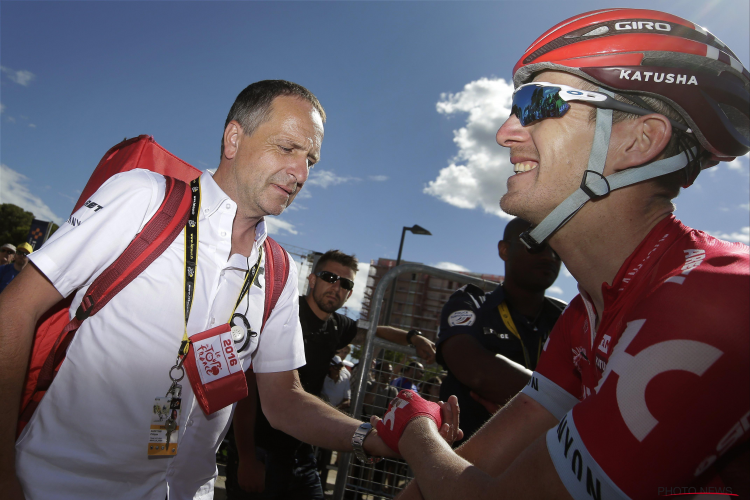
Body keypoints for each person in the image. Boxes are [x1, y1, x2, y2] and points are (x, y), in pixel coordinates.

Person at [382, 9, 749, 500]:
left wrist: (415, 430)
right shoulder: (584, 315)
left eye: (538, 104)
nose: (505, 132)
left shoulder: (718, 301)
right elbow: (474, 468)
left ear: (640, 141)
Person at [0, 80, 409, 500]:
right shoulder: (144, 199)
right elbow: (14, 312)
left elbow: (283, 399)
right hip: (56, 486)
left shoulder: (280, 271)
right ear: (234, 138)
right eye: (288, 148)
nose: (301, 174)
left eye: (311, 160)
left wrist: (371, 436)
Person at [226, 249, 438, 500]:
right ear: (312, 279)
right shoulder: (284, 314)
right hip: (259, 449)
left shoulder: (337, 325)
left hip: (301, 453)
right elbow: (246, 390)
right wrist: (247, 459)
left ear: (349, 294)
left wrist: (413, 337)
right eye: (329, 277)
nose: (336, 287)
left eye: (345, 283)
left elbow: (375, 331)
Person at [435, 217, 565, 443]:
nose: (549, 256)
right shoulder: (471, 302)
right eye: (536, 243)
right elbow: (475, 371)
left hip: (540, 460)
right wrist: (561, 404)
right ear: (505, 250)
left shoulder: (568, 318)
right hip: (464, 457)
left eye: (558, 249)